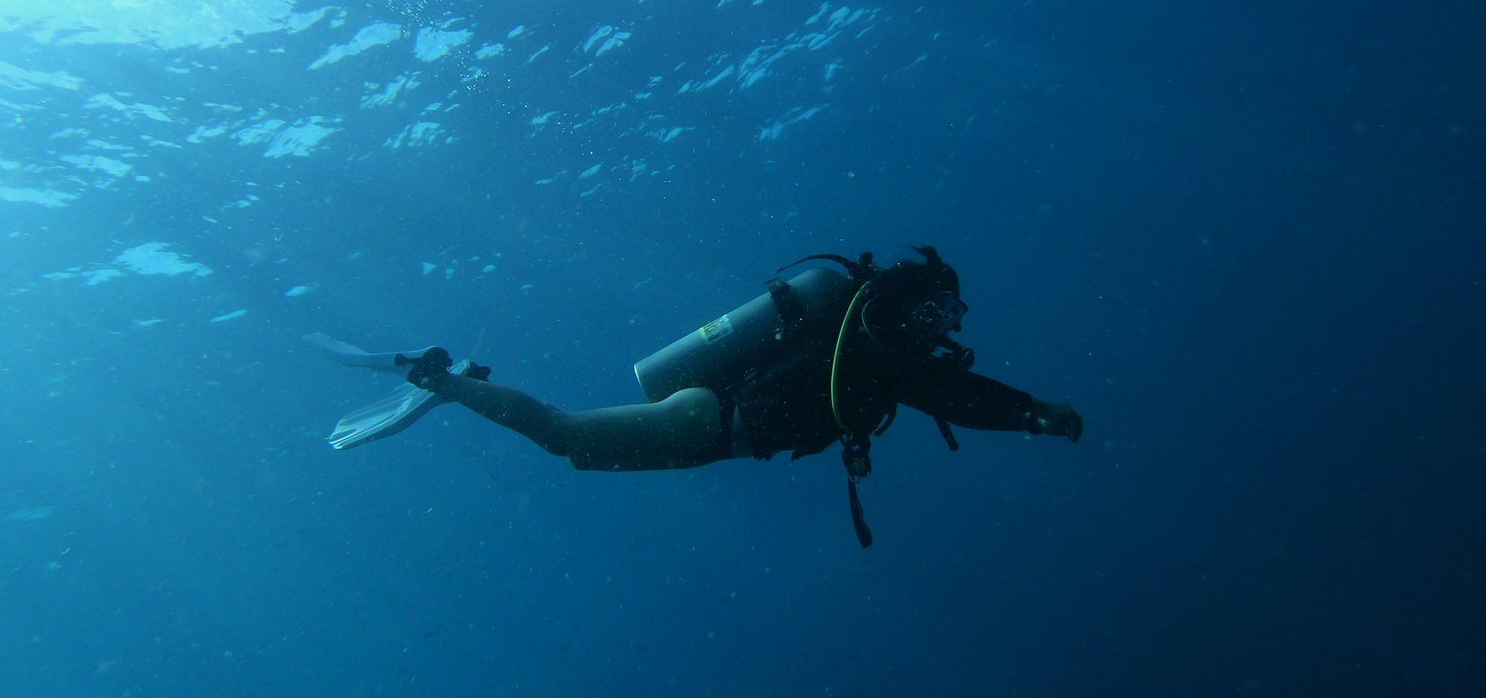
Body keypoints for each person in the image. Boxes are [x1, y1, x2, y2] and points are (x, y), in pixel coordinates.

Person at [319, 246, 1082, 546]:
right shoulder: (885, 346)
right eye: (941, 311)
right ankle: (440, 379)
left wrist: (1026, 413)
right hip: (717, 418)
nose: (947, 328)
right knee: (562, 434)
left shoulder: (877, 341)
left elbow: (950, 390)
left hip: (721, 423)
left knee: (569, 442)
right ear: (911, 302)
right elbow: (961, 395)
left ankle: (451, 384)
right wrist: (1033, 414)